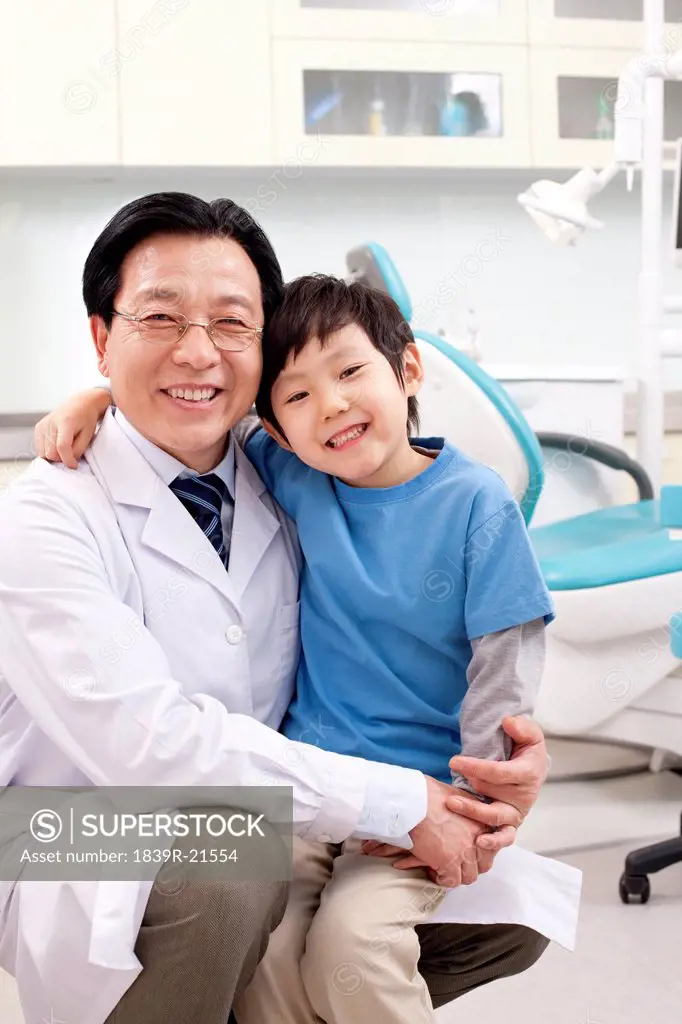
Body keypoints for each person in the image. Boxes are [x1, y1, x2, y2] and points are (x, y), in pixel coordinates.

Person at [0, 192, 557, 1024]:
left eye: (232, 324)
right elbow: (151, 750)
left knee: (509, 908)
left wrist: (498, 772)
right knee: (235, 867)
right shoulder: (42, 515)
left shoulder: (288, 467)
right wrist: (403, 804)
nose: (200, 352)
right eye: (160, 317)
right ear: (101, 339)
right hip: (61, 823)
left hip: (265, 802)